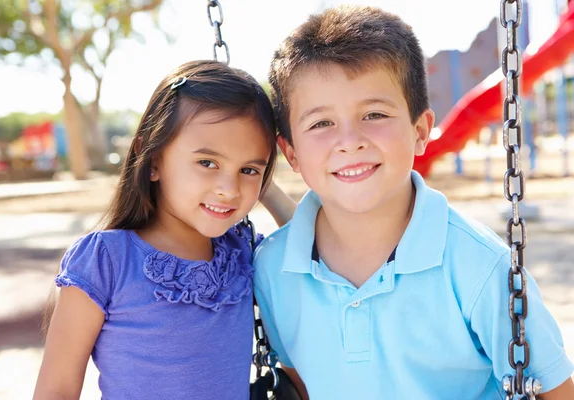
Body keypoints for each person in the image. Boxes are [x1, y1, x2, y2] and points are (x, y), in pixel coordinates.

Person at [253, 5, 574, 399]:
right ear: (291, 153)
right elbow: (300, 379)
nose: (349, 140)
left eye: (374, 114)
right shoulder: (273, 268)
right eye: (321, 123)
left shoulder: (479, 267)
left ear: (420, 131)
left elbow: (554, 390)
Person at [33, 60, 295, 400]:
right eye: (207, 163)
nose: (228, 189)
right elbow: (56, 390)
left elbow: (311, 242)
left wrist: (265, 184)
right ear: (153, 159)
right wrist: (248, 168)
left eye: (247, 169)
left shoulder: (241, 252)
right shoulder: (107, 260)